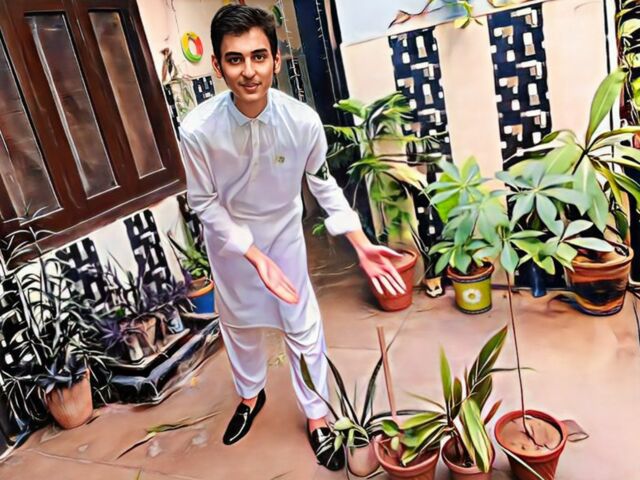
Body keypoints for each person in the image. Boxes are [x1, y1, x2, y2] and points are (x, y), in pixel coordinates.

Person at [178, 4, 406, 471]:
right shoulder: (198, 130)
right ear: (218, 66)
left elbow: (323, 184)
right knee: (239, 328)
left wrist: (361, 243)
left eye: (258, 56)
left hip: (283, 237)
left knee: (303, 328)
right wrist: (252, 255)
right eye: (235, 59)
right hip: (232, 246)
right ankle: (250, 396)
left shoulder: (301, 122)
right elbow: (204, 202)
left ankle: (317, 416)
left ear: (276, 60)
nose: (249, 71)